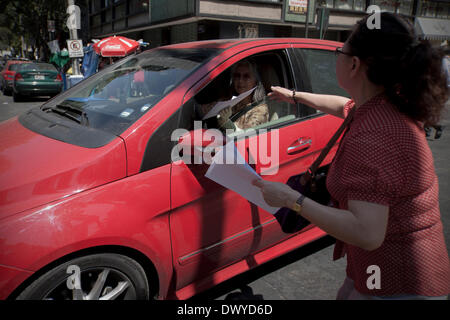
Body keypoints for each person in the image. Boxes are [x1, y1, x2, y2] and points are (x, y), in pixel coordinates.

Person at [253, 12, 450, 300]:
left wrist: (289, 199)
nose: (338, 55)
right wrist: (295, 95)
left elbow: (367, 233)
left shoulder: (373, 137)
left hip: (400, 285)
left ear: (355, 64)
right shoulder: (383, 105)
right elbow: (342, 106)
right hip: (381, 273)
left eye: (340, 50)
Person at [201, 59, 269, 132]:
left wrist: (227, 124)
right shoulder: (227, 101)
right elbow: (202, 112)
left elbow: (247, 137)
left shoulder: (260, 110)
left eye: (246, 76)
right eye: (237, 76)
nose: (240, 80)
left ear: (255, 81)